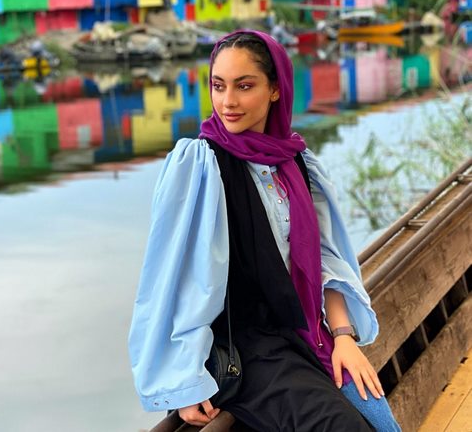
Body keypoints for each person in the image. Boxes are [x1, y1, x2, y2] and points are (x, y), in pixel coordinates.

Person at [129, 30, 401, 431]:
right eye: (218, 86)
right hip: (244, 349)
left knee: (380, 418)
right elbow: (175, 279)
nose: (227, 101)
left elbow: (325, 258)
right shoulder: (201, 165)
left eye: (244, 86)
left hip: (305, 334)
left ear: (275, 89)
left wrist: (343, 336)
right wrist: (184, 381)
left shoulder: (295, 163)